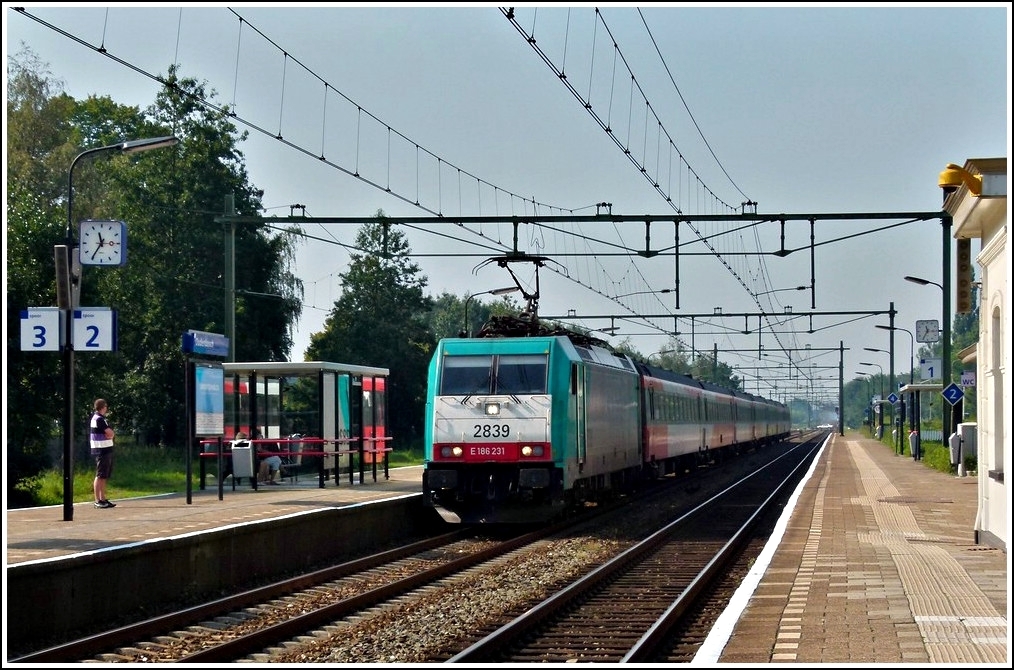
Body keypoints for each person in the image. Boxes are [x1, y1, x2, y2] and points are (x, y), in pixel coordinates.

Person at [90, 398, 116, 508]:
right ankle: (98, 500)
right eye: (106, 407)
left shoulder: (100, 419)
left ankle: (103, 498)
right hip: (101, 449)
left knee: (104, 475)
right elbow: (110, 433)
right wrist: (110, 434)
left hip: (105, 449)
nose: (107, 409)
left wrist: (109, 434)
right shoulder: (99, 419)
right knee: (100, 474)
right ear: (103, 407)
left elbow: (109, 434)